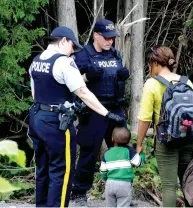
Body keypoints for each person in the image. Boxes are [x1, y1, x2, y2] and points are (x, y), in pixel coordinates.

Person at [27, 26, 124, 207]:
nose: (73, 51)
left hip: (37, 119)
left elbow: (35, 94)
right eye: (72, 46)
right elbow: (83, 92)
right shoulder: (64, 62)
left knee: (43, 169)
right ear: (63, 41)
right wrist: (106, 113)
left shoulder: (36, 61)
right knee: (62, 171)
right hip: (57, 122)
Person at [71, 19, 129, 204]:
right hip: (93, 111)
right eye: (106, 38)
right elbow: (71, 83)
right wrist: (87, 77)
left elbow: (116, 79)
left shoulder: (115, 54)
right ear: (96, 35)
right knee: (89, 152)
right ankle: (79, 193)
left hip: (114, 108)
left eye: (112, 38)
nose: (110, 41)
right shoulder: (82, 56)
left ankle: (121, 195)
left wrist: (123, 77)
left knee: (121, 151)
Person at [135, 45, 193, 207]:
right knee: (188, 183)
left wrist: (139, 144)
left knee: (169, 187)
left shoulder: (152, 84)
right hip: (189, 139)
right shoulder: (187, 81)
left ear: (155, 63)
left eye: (150, 64)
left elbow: (144, 118)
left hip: (166, 141)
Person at [100, 127, 145, 207]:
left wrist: (105, 179)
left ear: (112, 139)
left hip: (110, 184)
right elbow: (138, 163)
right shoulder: (129, 151)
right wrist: (141, 153)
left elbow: (103, 171)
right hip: (125, 184)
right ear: (129, 140)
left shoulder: (107, 153)